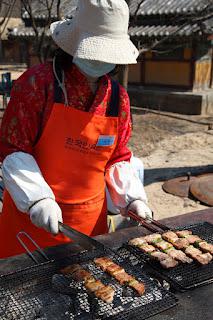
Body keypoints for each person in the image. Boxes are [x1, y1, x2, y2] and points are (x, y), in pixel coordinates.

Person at [0, 0, 152, 258]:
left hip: (89, 225)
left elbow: (117, 157)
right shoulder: (38, 84)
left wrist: (131, 199)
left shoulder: (119, 98)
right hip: (32, 220)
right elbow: (12, 148)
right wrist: (38, 199)